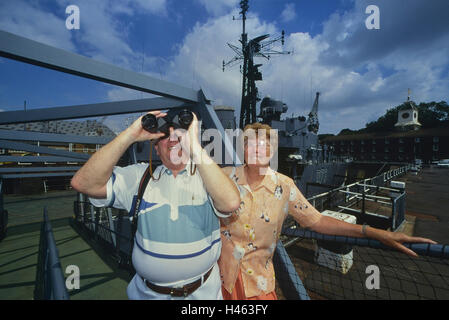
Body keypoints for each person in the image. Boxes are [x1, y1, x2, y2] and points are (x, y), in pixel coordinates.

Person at [218, 122, 437, 300]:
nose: (258, 150)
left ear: (272, 150)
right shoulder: (223, 178)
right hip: (218, 283)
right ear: (243, 149)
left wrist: (374, 232)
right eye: (251, 144)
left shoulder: (284, 187)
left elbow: (317, 221)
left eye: (265, 144)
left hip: (258, 287)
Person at [71, 110, 240, 300]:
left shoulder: (208, 177)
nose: (172, 140)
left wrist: (195, 147)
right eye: (164, 136)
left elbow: (231, 203)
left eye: (178, 134)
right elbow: (83, 184)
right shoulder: (138, 177)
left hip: (203, 295)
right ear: (156, 149)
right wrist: (130, 135)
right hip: (149, 295)